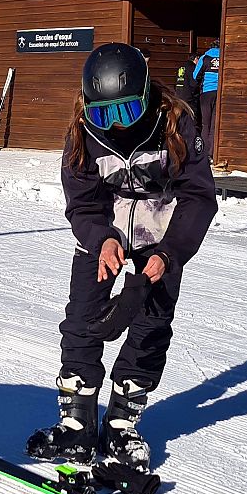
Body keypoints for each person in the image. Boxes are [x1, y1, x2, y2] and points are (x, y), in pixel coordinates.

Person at [26, 43, 218, 471]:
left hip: (162, 232)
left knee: (150, 325)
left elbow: (199, 198)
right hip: (105, 234)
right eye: (102, 114)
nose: (114, 126)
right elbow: (82, 202)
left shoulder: (177, 123)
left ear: (147, 95)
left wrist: (170, 253)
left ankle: (121, 425)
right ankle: (77, 425)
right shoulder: (82, 131)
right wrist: (100, 240)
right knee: (83, 320)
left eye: (125, 112)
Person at [190, 41, 221, 163]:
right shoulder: (224, 56)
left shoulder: (205, 57)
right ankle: (212, 152)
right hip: (219, 93)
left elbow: (195, 75)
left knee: (205, 124)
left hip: (207, 92)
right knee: (214, 124)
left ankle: (203, 153)